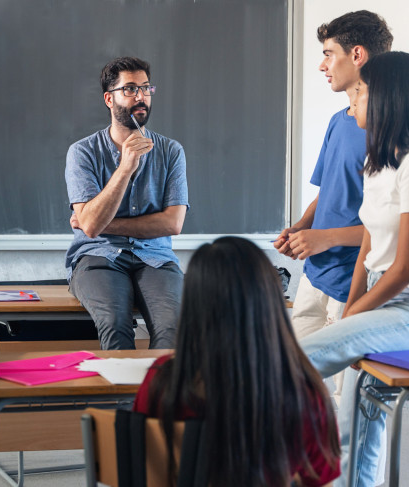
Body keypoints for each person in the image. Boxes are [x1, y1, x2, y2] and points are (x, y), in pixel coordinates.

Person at [299, 51, 409, 487]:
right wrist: (353, 308)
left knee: (295, 362)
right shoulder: (378, 163)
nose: (354, 103)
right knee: (354, 429)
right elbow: (369, 252)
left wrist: (352, 317)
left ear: (389, 100)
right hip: (379, 307)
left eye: (361, 92)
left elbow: (405, 269)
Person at [134, 236, 340, 486]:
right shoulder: (302, 393)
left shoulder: (163, 382)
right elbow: (321, 480)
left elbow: (143, 472)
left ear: (192, 304)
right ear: (270, 302)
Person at [274, 11, 392, 398]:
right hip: (315, 275)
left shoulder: (388, 131)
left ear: (356, 55)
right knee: (297, 386)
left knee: (345, 399)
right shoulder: (340, 120)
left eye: (329, 54)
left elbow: (389, 227)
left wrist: (325, 238)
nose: (323, 65)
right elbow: (327, 192)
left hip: (351, 284)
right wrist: (300, 228)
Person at [65, 56, 188, 350]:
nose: (140, 97)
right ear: (109, 98)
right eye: (130, 89)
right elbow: (92, 229)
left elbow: (173, 224)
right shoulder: (82, 152)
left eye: (145, 88)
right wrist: (125, 167)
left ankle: (157, 396)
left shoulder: (171, 151)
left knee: (174, 330)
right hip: (98, 257)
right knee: (115, 326)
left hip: (155, 258)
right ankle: (122, 398)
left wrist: (99, 222)